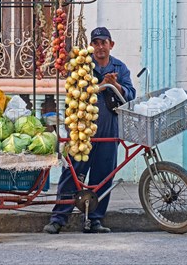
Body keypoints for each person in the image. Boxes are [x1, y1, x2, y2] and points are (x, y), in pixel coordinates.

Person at [43, 27, 136, 234]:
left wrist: (117, 86)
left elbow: (131, 95)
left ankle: (95, 220)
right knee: (73, 173)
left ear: (111, 45)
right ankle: (58, 219)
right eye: (96, 43)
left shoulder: (120, 68)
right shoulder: (83, 64)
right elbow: (74, 93)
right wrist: (101, 85)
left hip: (110, 129)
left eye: (104, 42)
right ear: (91, 46)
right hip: (82, 129)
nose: (100, 47)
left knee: (103, 175)